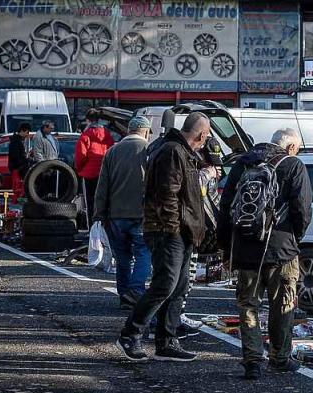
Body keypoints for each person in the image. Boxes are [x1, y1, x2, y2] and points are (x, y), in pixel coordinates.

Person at [115, 112, 211, 363]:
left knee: (178, 287)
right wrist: (171, 228)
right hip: (169, 231)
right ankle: (131, 334)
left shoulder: (185, 153)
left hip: (183, 230)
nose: (207, 139)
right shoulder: (173, 151)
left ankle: (166, 341)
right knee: (165, 284)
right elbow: (167, 193)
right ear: (201, 134)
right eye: (207, 134)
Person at [218, 127, 313, 379]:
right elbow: (302, 209)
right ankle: (280, 357)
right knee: (282, 303)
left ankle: (252, 360)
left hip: (246, 246)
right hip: (281, 247)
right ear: (291, 147)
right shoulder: (293, 165)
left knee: (248, 304)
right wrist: (296, 238)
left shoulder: (243, 164)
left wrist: (226, 246)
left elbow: (225, 205)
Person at [95, 115, 153, 309]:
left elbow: (102, 187)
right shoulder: (148, 151)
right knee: (144, 253)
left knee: (122, 258)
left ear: (128, 130)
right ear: (145, 131)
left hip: (115, 215)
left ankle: (124, 295)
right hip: (140, 214)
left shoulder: (112, 152)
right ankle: (136, 291)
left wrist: (100, 214)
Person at [75, 109, 116, 222]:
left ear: (88, 120)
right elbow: (112, 152)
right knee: (104, 201)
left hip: (89, 173)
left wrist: (80, 169)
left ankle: (92, 228)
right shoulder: (107, 135)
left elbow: (80, 156)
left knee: (90, 202)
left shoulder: (85, 135)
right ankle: (104, 226)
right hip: (105, 172)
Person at [7, 122, 34, 195]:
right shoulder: (16, 142)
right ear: (22, 131)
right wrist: (26, 160)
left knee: (18, 187)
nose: (27, 135)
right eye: (27, 132)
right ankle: (16, 202)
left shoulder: (17, 141)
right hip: (18, 168)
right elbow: (16, 156)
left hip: (18, 168)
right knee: (17, 188)